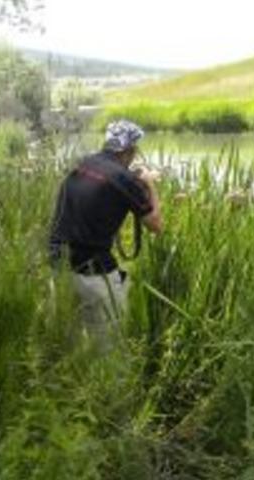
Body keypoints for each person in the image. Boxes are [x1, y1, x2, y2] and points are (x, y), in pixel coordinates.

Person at [49, 119, 163, 351]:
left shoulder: (82, 164)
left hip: (57, 265)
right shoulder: (125, 180)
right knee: (109, 350)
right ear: (130, 150)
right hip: (93, 273)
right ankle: (111, 385)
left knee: (68, 344)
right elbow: (156, 225)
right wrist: (149, 184)